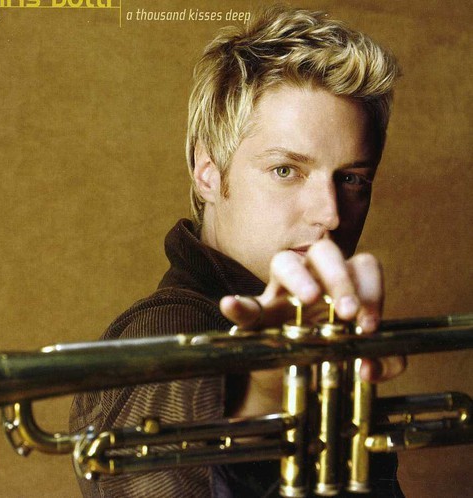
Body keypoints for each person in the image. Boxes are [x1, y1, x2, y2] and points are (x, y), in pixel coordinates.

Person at [70, 5, 406, 497]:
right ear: (208, 173)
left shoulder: (329, 330)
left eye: (352, 179)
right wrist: (261, 392)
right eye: (286, 170)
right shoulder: (162, 327)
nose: (330, 214)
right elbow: (147, 479)